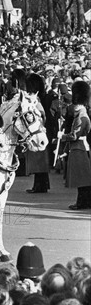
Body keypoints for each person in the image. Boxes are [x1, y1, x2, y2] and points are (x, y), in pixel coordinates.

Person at [58, 80, 91, 209]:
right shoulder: (81, 114)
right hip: (79, 148)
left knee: (81, 178)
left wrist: (62, 136)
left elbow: (74, 136)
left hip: (80, 149)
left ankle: (82, 202)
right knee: (83, 178)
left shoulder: (81, 116)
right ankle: (84, 201)